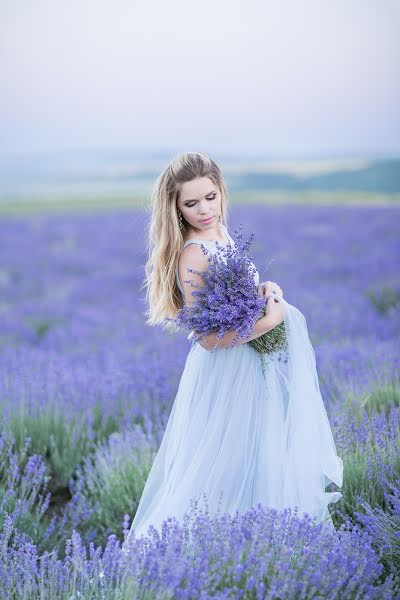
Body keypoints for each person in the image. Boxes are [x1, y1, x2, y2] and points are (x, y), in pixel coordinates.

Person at [123, 151, 343, 551]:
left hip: (252, 367)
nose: (204, 210)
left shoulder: (221, 233)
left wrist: (265, 290)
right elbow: (208, 339)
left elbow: (233, 298)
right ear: (175, 208)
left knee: (259, 456)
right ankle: (201, 558)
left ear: (221, 191)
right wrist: (270, 322)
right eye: (191, 204)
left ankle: (262, 549)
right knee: (220, 467)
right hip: (226, 374)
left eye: (210, 197)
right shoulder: (192, 252)